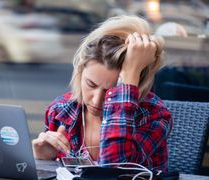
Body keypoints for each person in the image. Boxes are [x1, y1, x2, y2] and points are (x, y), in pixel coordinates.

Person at [32, 15, 173, 172]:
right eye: (91, 84)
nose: (97, 100)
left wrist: (130, 75)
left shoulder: (153, 115)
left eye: (112, 91)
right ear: (80, 71)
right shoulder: (60, 110)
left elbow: (114, 168)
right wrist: (42, 159)